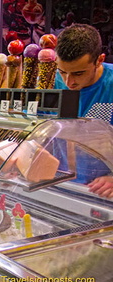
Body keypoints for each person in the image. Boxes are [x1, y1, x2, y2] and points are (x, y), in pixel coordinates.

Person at [54, 23, 113, 198]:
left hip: (102, 191)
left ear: (99, 60)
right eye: (62, 71)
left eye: (78, 73)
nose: (68, 82)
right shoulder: (51, 82)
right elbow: (39, 134)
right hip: (59, 186)